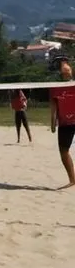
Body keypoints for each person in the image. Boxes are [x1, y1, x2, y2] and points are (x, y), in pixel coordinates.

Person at [49, 59, 75, 189]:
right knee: (64, 151)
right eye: (64, 70)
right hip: (65, 123)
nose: (66, 72)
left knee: (64, 151)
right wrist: (53, 123)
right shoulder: (55, 88)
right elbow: (54, 107)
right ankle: (72, 179)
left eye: (68, 69)